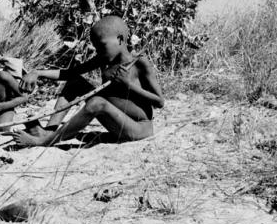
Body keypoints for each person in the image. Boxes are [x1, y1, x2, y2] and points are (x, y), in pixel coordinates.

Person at [11, 15, 164, 146]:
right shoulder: (104, 59)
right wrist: (37, 73)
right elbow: (70, 73)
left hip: (138, 128)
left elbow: (159, 102)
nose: (98, 52)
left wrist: (129, 85)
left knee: (97, 102)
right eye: (96, 48)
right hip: (115, 121)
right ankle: (49, 131)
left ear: (120, 39)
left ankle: (45, 141)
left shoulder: (139, 63)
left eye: (102, 46)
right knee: (75, 83)